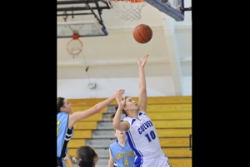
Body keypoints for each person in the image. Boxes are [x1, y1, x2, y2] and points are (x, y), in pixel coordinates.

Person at [110, 54, 172, 167]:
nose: (134, 101)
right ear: (125, 107)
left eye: (133, 99)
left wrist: (141, 68)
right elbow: (116, 124)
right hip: (146, 161)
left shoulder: (142, 112)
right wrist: (119, 106)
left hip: (160, 157)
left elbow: (142, 89)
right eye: (130, 101)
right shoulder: (128, 123)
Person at [57, 89, 124, 167]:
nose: (70, 105)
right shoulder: (69, 118)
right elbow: (96, 109)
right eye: (68, 103)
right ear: (62, 109)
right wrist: (114, 96)